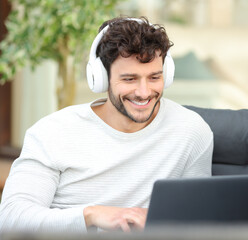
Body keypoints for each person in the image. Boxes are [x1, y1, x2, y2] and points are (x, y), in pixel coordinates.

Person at [0, 16, 213, 233]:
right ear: (100, 78)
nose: (144, 92)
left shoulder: (191, 131)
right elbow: (10, 218)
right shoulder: (52, 132)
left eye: (154, 77)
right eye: (129, 79)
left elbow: (196, 222)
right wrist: (93, 214)